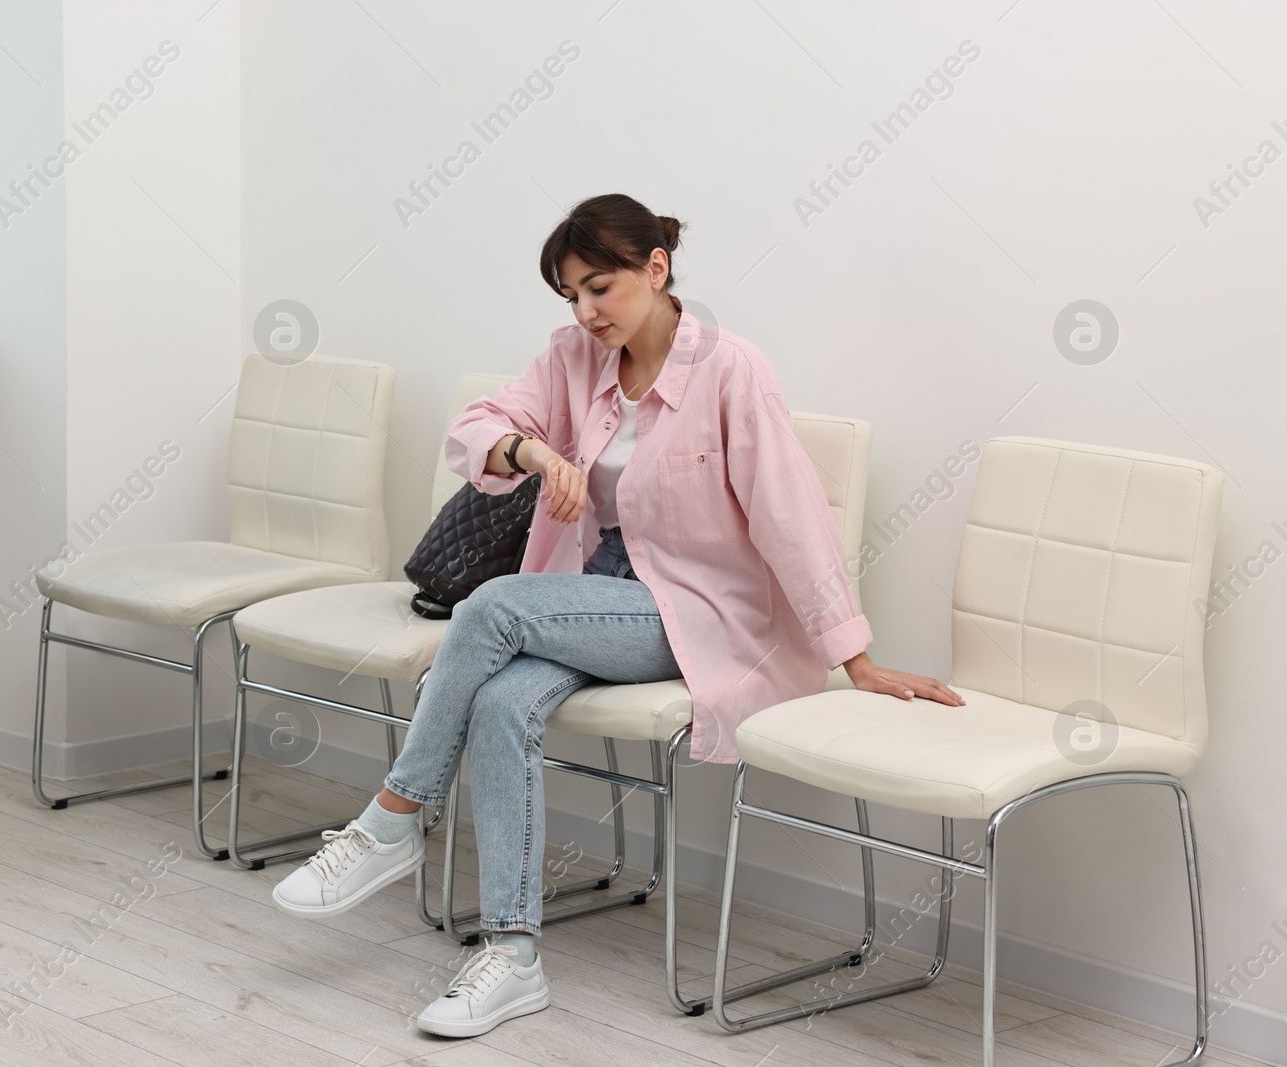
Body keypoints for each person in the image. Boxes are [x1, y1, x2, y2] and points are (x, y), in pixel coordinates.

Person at [271, 192, 964, 1037]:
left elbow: (793, 513)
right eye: (572, 296)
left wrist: (853, 654)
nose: (586, 311)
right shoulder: (571, 358)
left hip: (696, 614)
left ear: (657, 268)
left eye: (600, 288)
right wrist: (530, 448)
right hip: (589, 594)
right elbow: (472, 431)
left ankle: (391, 818)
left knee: (491, 608)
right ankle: (513, 958)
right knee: (499, 701)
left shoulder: (730, 368)